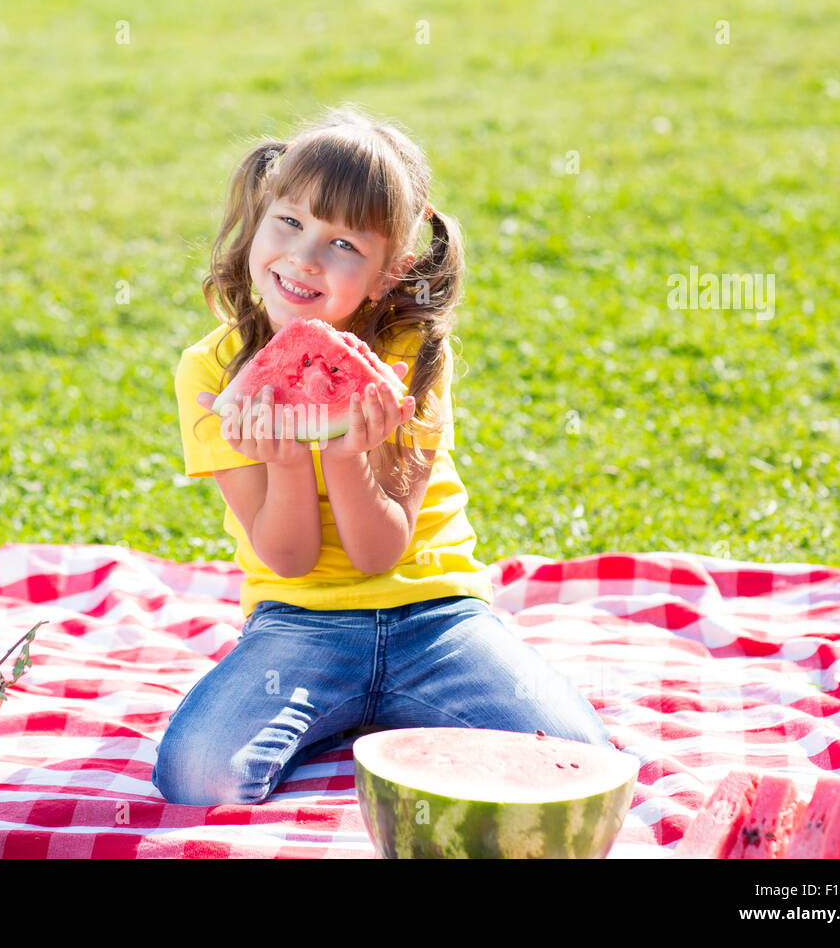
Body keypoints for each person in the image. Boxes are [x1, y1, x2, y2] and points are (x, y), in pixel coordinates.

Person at [154, 104, 611, 806]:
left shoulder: (412, 357)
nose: (304, 258)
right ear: (260, 214)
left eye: (344, 246)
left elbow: (379, 554)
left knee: (576, 763)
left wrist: (345, 452)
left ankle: (376, 713)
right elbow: (290, 559)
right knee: (199, 777)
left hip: (435, 616)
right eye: (290, 222)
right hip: (297, 621)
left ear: (387, 273)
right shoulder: (212, 374)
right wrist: (283, 456)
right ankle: (342, 712)